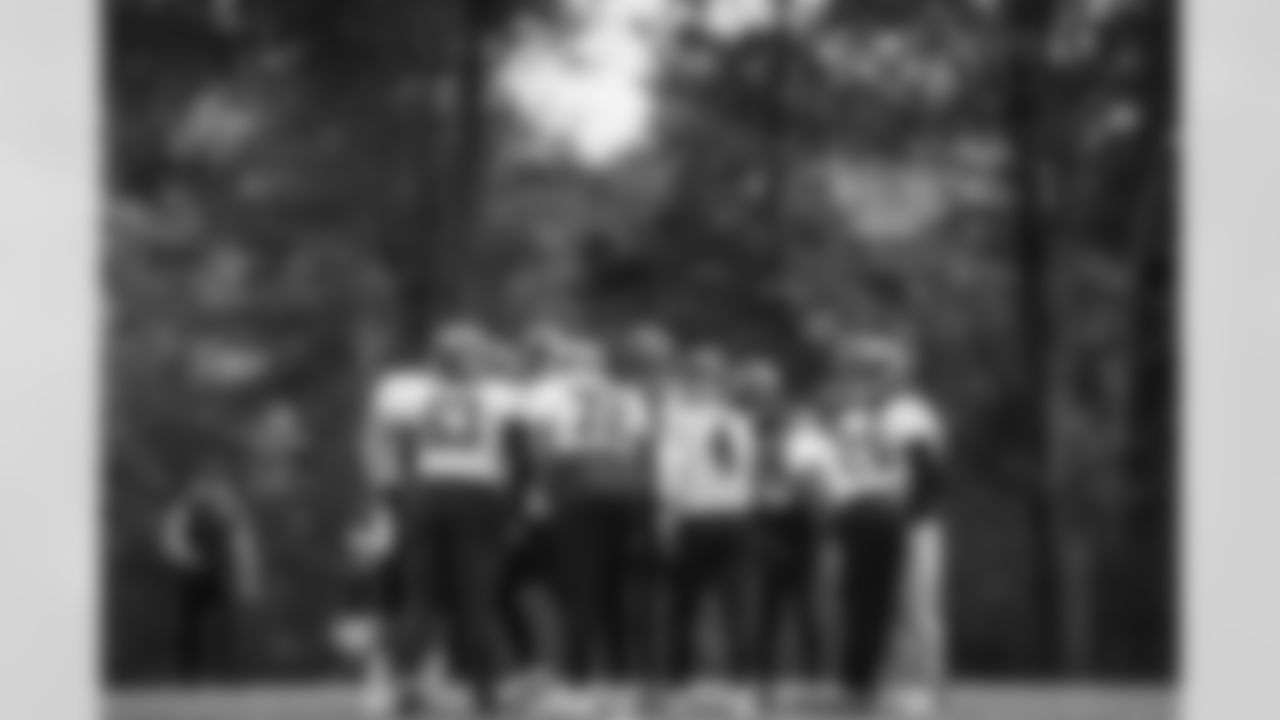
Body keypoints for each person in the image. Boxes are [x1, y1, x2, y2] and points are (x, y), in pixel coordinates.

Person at [359, 319, 525, 717]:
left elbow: (378, 444)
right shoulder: (501, 395)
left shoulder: (403, 391)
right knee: (477, 599)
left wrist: (391, 496)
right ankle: (486, 692)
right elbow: (522, 455)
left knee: (422, 598)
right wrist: (512, 510)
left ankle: (400, 686)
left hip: (427, 494)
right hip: (479, 494)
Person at [520, 329, 655, 718]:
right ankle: (621, 682)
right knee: (616, 589)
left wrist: (543, 491)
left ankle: (577, 682)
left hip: (578, 485)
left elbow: (540, 447)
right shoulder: (627, 394)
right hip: (626, 488)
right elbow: (642, 449)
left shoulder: (550, 391)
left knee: (581, 587)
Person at [822, 332, 948, 716]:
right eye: (861, 372)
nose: (866, 380)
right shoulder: (852, 418)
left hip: (911, 521)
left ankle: (920, 689)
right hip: (866, 521)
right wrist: (841, 515)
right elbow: (842, 473)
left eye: (874, 372)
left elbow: (930, 474)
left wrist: (910, 519)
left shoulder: (911, 414)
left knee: (915, 606)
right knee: (865, 606)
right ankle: (861, 687)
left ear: (893, 376)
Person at [653, 344, 759, 718]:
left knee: (684, 604)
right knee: (737, 605)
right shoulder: (739, 419)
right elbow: (747, 469)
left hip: (695, 515)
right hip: (735, 515)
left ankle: (680, 683)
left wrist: (666, 513)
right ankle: (742, 689)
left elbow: (671, 468)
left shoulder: (678, 418)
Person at [735, 358, 823, 707]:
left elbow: (810, 468)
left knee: (804, 602)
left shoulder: (796, 420)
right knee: (765, 604)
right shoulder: (743, 423)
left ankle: (814, 680)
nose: (759, 394)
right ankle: (762, 682)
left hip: (797, 517)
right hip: (763, 517)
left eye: (764, 387)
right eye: (753, 389)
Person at [158, 461, 263, 685]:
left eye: (214, 482)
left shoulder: (230, 509)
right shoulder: (188, 507)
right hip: (193, 574)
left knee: (228, 627)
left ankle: (229, 675)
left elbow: (242, 545)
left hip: (222, 573)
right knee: (190, 626)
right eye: (207, 481)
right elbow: (172, 536)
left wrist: (247, 577)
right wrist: (187, 559)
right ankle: (189, 677)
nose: (211, 487)